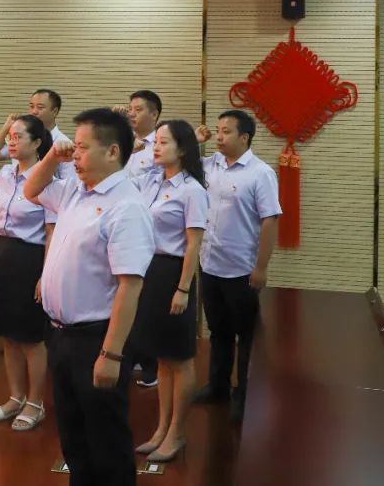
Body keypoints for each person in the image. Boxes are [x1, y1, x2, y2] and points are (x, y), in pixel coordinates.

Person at [24, 108, 155, 485]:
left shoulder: (126, 207)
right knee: (74, 437)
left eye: (82, 148)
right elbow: (31, 190)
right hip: (61, 334)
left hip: (96, 338)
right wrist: (53, 156)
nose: (75, 154)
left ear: (112, 151)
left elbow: (130, 286)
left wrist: (111, 355)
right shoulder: (74, 190)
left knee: (106, 442)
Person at [0, 114, 55, 432]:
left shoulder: (46, 180)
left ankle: (36, 402)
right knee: (8, 334)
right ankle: (16, 397)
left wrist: (46, 274)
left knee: (30, 336)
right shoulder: (5, 174)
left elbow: (52, 232)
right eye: (10, 137)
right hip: (4, 253)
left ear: (37, 142)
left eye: (18, 137)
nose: (11, 142)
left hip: (31, 257)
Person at [193, 110, 281, 423]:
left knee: (246, 336)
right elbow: (181, 169)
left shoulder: (260, 173)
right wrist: (197, 142)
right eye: (217, 130)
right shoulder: (210, 164)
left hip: (242, 269)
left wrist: (261, 267)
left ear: (244, 137)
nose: (219, 136)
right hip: (209, 263)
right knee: (218, 331)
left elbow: (270, 220)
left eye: (226, 131)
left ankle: (244, 393)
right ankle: (217, 386)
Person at [127, 120, 208, 462]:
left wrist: (183, 289)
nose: (155, 147)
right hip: (150, 270)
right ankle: (161, 428)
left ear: (183, 149)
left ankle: (177, 432)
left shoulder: (192, 190)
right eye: (155, 142)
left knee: (179, 356)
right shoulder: (151, 181)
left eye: (163, 142)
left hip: (174, 272)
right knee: (161, 357)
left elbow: (193, 244)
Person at [116, 90, 163, 388]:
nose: (132, 113)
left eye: (138, 109)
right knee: (124, 297)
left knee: (147, 303)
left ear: (154, 114)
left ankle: (151, 363)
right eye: (129, 108)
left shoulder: (161, 145)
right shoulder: (123, 143)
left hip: (151, 232)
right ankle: (129, 354)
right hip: (122, 228)